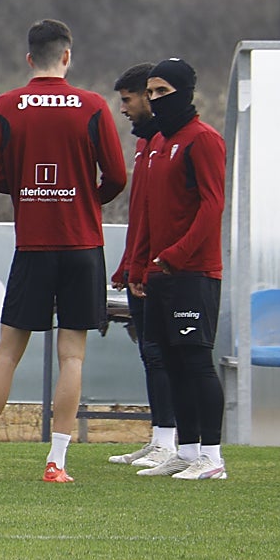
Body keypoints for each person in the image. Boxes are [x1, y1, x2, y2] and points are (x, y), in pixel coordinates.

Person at [0, 19, 125, 483]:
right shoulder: (93, 106)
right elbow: (116, 176)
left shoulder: (6, 106)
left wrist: (29, 194)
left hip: (33, 244)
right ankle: (56, 461)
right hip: (82, 245)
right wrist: (82, 199)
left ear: (29, 58)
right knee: (72, 356)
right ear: (68, 57)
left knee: (7, 352)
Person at [128, 58, 228, 480]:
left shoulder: (203, 140)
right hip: (160, 273)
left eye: (162, 92)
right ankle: (185, 452)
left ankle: (213, 457)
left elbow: (212, 205)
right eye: (150, 93)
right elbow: (150, 212)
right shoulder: (158, 144)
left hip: (194, 272)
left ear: (186, 92)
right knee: (169, 360)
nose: (154, 100)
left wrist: (177, 254)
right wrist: (139, 263)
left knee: (196, 362)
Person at [107, 62, 177, 469]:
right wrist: (127, 263)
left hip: (164, 269)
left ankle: (177, 442)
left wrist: (152, 262)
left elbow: (166, 215)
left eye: (128, 100)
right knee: (151, 354)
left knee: (164, 353)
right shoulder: (146, 145)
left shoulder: (172, 143)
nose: (124, 109)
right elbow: (140, 215)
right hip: (142, 265)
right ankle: (160, 437)